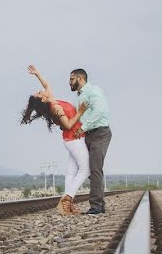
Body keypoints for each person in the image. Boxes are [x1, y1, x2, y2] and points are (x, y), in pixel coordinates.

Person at [20, 65, 89, 215]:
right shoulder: (55, 108)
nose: (41, 90)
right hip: (74, 139)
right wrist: (81, 111)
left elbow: (47, 85)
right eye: (39, 93)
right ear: (42, 99)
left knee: (71, 171)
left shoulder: (51, 100)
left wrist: (37, 73)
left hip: (73, 139)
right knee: (85, 170)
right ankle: (66, 200)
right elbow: (68, 125)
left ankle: (67, 206)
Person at [69, 68, 111, 215]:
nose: (70, 83)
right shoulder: (81, 96)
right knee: (92, 170)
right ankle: (99, 204)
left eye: (72, 79)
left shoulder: (93, 90)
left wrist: (83, 128)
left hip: (100, 133)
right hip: (89, 135)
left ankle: (96, 207)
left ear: (80, 79)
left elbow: (99, 111)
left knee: (94, 169)